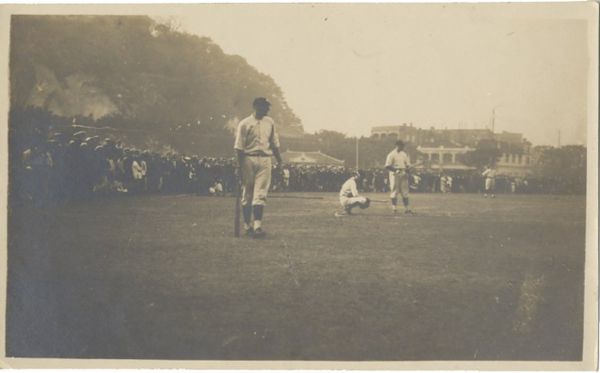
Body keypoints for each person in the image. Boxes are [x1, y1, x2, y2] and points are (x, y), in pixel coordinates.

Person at [234, 97, 283, 238]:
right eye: (264, 107)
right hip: (248, 158)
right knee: (248, 193)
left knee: (260, 193)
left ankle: (257, 226)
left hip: (266, 159)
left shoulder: (270, 122)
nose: (267, 109)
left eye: (267, 107)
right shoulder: (244, 123)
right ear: (255, 106)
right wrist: (239, 165)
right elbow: (238, 147)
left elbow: (274, 143)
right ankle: (247, 225)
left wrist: (279, 161)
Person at [385, 140, 414, 214]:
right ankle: (394, 208)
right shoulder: (391, 154)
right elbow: (387, 166)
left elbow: (407, 165)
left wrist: (407, 171)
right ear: (397, 145)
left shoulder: (404, 154)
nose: (402, 147)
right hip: (395, 175)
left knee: (405, 192)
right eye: (401, 146)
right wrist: (395, 170)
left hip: (403, 173)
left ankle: (407, 209)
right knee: (395, 191)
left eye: (403, 146)